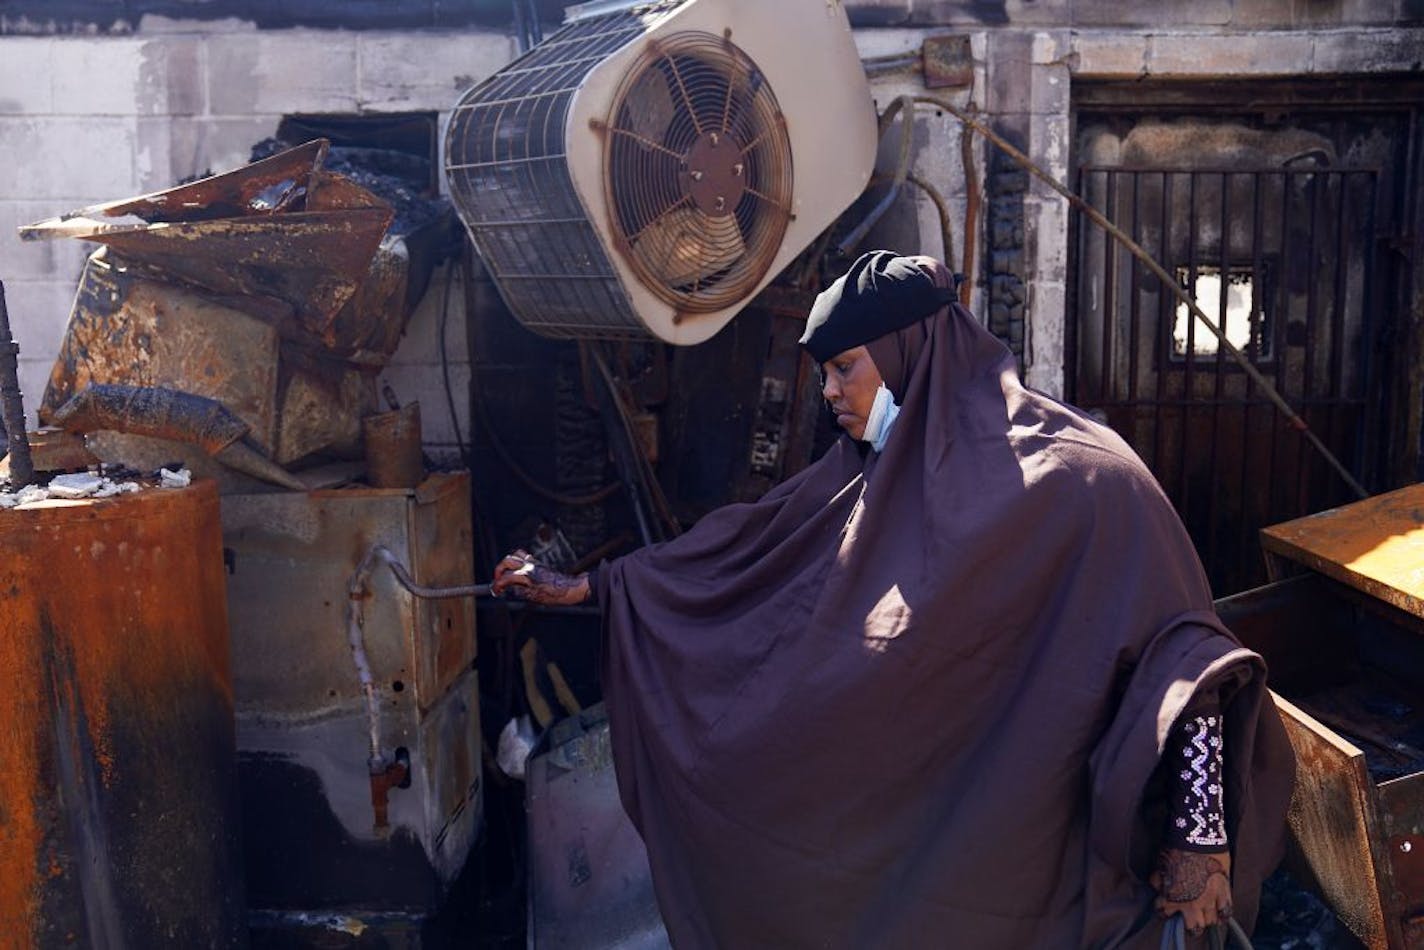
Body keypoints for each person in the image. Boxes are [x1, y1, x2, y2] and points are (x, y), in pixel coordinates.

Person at [492, 251, 1295, 948]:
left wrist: (1200, 836)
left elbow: (1190, 654)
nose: (834, 393)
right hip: (936, 844)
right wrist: (595, 585)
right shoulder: (869, 469)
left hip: (1054, 863)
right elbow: (745, 552)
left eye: (847, 368)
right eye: (826, 374)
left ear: (912, 350)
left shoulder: (1083, 478)